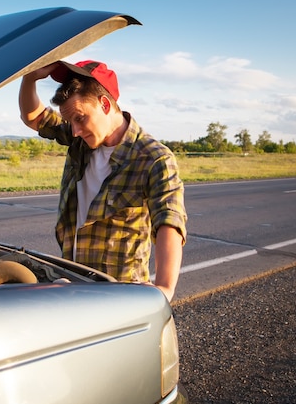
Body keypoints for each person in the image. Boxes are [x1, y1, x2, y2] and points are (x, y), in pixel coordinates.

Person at [18, 60, 187, 301]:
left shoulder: (153, 158)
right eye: (70, 123)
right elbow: (33, 117)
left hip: (119, 295)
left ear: (105, 104)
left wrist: (165, 288)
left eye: (80, 119)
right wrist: (29, 78)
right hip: (74, 281)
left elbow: (169, 221)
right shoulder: (81, 140)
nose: (75, 130)